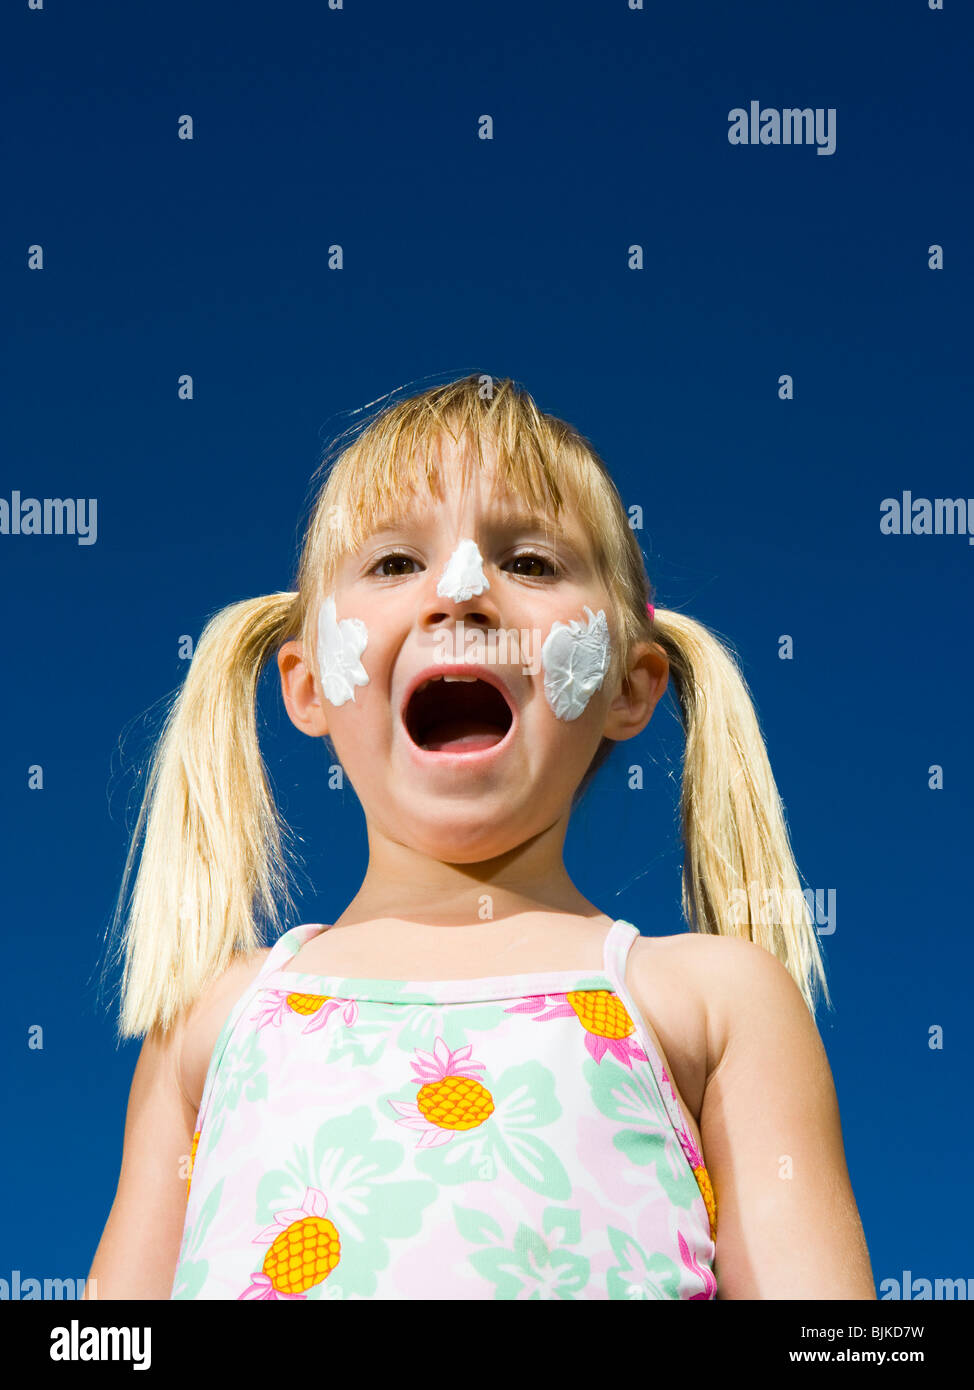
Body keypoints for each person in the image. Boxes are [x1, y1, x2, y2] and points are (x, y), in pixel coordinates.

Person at [85, 374, 875, 1300]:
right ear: (306, 684)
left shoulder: (714, 1000)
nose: (459, 593)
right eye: (392, 564)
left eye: (532, 564)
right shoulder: (208, 1019)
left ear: (630, 684)